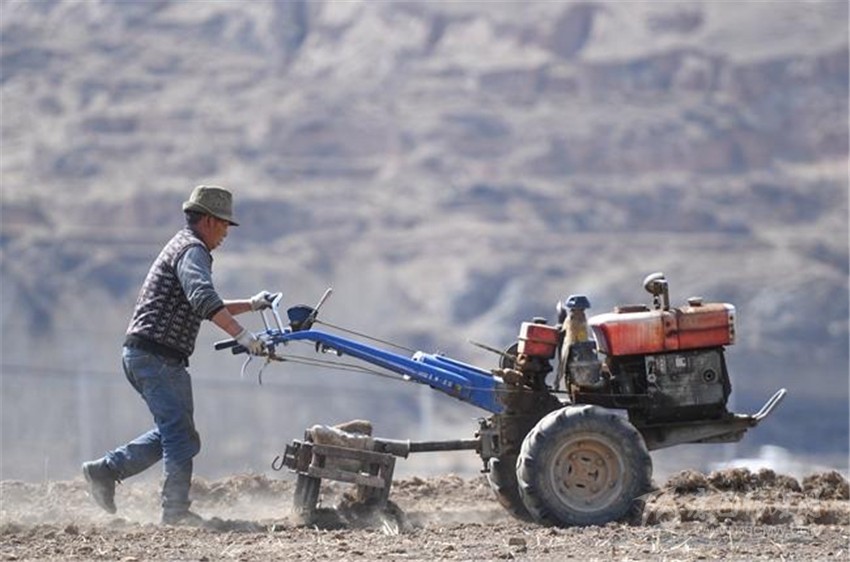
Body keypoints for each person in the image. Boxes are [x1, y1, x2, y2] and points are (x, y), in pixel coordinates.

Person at [82, 185, 274, 526]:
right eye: (225, 224)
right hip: (156, 358)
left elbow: (203, 303)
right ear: (209, 221)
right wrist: (245, 337)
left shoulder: (182, 246)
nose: (226, 233)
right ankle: (175, 511)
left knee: (177, 432)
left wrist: (252, 304)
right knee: (179, 436)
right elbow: (203, 299)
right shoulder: (192, 250)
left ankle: (106, 471)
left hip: (146, 355)